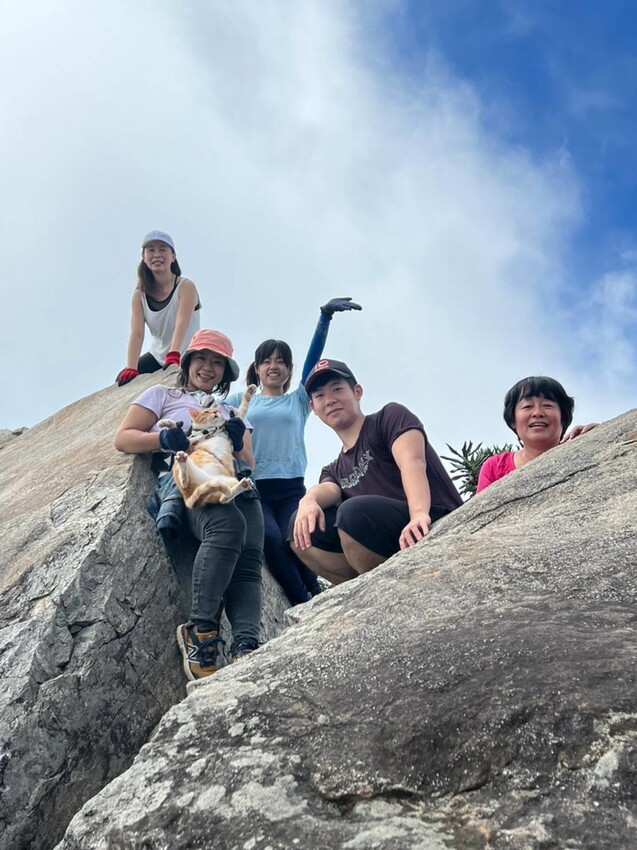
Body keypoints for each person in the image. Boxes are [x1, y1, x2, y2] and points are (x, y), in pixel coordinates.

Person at [114, 329, 264, 681]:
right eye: (202, 359)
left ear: (225, 373)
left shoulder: (229, 409)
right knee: (227, 527)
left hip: (238, 483)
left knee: (249, 560)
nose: (208, 367)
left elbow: (249, 461)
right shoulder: (162, 394)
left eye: (217, 363)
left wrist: (238, 435)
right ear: (188, 362)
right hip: (190, 479)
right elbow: (124, 438)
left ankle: (247, 646)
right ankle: (200, 631)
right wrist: (163, 438)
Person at [226, 298, 361, 604]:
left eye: (281, 361)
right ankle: (303, 599)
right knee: (271, 539)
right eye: (267, 361)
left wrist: (324, 317)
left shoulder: (299, 401)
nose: (274, 367)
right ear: (257, 368)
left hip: (290, 489)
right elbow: (206, 415)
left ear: (288, 370)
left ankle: (316, 591)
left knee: (301, 537)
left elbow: (315, 359)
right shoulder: (240, 401)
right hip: (255, 487)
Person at [290, 359, 462, 585]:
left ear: (357, 391)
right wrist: (308, 500)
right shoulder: (333, 469)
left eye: (337, 389)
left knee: (351, 513)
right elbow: (328, 489)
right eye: (320, 395)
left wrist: (419, 514)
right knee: (300, 527)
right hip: (385, 544)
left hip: (433, 521)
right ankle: (362, 588)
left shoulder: (389, 418)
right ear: (313, 407)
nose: (330, 400)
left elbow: (412, 461)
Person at [476, 375, 598, 493]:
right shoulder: (495, 467)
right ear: (513, 420)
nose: (537, 413)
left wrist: (597, 436)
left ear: (563, 417)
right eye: (527, 406)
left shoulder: (581, 450)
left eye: (547, 405)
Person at [116, 231, 201, 386]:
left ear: (173, 257)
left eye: (162, 249)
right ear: (144, 257)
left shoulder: (185, 286)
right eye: (151, 250)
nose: (156, 254)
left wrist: (174, 354)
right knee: (122, 381)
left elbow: (182, 322)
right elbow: (137, 334)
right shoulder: (139, 296)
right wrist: (131, 367)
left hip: (188, 354)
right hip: (158, 356)